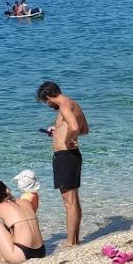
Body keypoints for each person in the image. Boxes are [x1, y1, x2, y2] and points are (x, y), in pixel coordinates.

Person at [37, 81, 89, 246]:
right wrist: (59, 131)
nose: (47, 105)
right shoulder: (74, 105)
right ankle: (75, 240)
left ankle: (70, 243)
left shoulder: (65, 106)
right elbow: (84, 129)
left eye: (45, 101)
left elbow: (74, 127)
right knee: (73, 200)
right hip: (72, 156)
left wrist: (67, 139)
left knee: (69, 201)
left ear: (48, 97)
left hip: (65, 156)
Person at [0, 180, 46, 263]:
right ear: (7, 190)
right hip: (41, 251)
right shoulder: (25, 202)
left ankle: (0, 257)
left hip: (22, 254)